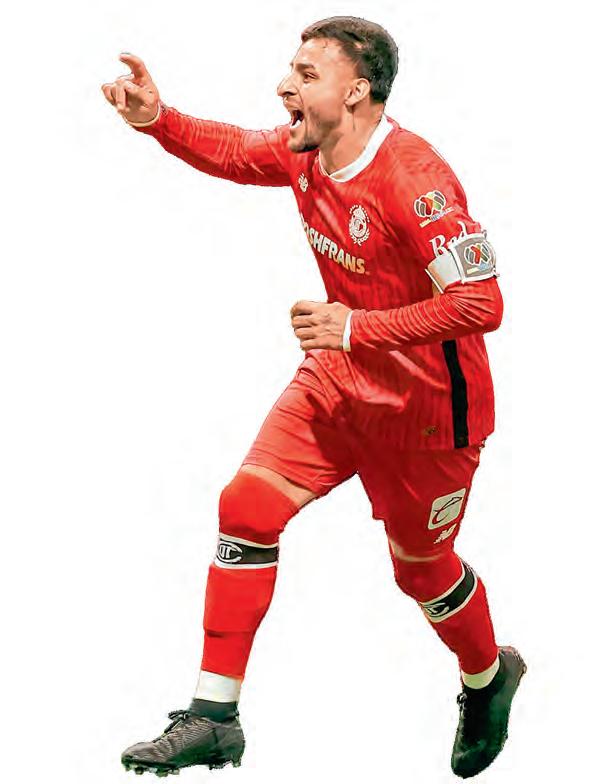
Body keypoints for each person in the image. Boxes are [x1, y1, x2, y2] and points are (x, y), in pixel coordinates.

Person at [101, 15, 525, 779]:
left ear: (356, 90)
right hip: (335, 383)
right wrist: (157, 119)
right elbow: (236, 150)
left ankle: (487, 677)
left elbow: (480, 303)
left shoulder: (415, 180)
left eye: (304, 74)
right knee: (246, 507)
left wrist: (356, 327)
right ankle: (213, 716)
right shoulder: (306, 152)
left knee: (420, 572)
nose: (282, 86)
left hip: (428, 415)